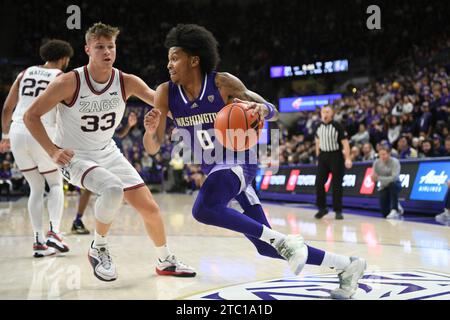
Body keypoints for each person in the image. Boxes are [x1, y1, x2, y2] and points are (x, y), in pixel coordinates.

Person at [143, 24, 366, 299]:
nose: (169, 64)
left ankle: (286, 241)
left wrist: (261, 108)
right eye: (168, 59)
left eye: (174, 57)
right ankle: (347, 266)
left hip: (240, 161)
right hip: (216, 170)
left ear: (194, 59)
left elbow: (269, 110)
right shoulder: (166, 93)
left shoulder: (222, 83)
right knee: (266, 247)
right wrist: (151, 131)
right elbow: (151, 148)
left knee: (203, 208)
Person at [24, 23, 195, 281]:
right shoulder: (68, 82)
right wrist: (51, 151)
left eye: (111, 46)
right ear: (88, 50)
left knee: (150, 208)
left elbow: (163, 106)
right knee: (113, 189)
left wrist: (183, 118)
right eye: (100, 47)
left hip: (107, 151)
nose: (106, 52)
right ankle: (99, 247)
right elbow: (30, 116)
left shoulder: (126, 81)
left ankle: (165, 260)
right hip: (75, 155)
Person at [1, 39, 73, 257]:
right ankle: (55, 233)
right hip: (41, 131)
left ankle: (38, 241)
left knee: (35, 186)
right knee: (55, 182)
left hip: (17, 132)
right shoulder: (60, 77)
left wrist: (5, 136)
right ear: (64, 59)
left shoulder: (24, 74)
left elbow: (6, 108)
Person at [71, 111, 138, 235]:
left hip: (108, 155)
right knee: (87, 190)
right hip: (89, 153)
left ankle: (96, 222)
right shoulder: (91, 108)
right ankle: (78, 220)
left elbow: (120, 133)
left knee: (114, 188)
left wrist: (129, 125)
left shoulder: (113, 112)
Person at [314, 105, 353, 220]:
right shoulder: (318, 126)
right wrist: (318, 157)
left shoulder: (337, 126)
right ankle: (322, 208)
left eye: (327, 112)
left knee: (336, 184)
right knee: (319, 183)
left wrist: (348, 158)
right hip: (323, 156)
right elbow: (317, 142)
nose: (325, 114)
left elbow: (345, 143)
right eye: (323, 112)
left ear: (332, 114)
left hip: (336, 156)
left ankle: (338, 210)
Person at [371, 144, 403, 219]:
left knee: (393, 184)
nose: (382, 156)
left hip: (395, 185)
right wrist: (375, 178)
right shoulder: (376, 163)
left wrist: (379, 178)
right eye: (380, 155)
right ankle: (397, 204)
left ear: (389, 154)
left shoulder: (395, 162)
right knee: (385, 213)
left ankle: (395, 209)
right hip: (383, 186)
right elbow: (374, 178)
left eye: (384, 154)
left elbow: (394, 178)